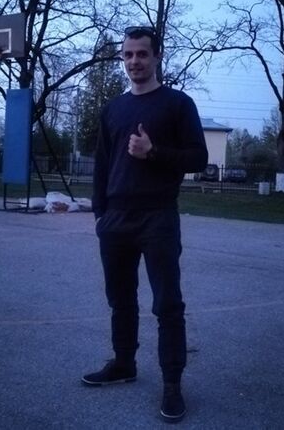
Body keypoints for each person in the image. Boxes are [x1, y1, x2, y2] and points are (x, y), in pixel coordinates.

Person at [82, 26, 208, 423]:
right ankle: (124, 364)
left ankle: (172, 384)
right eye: (128, 55)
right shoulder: (113, 109)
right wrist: (100, 213)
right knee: (120, 300)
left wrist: (153, 152)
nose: (134, 61)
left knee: (167, 304)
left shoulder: (178, 104)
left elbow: (198, 159)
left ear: (157, 56)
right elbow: (103, 164)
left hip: (158, 217)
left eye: (142, 53)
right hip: (116, 219)